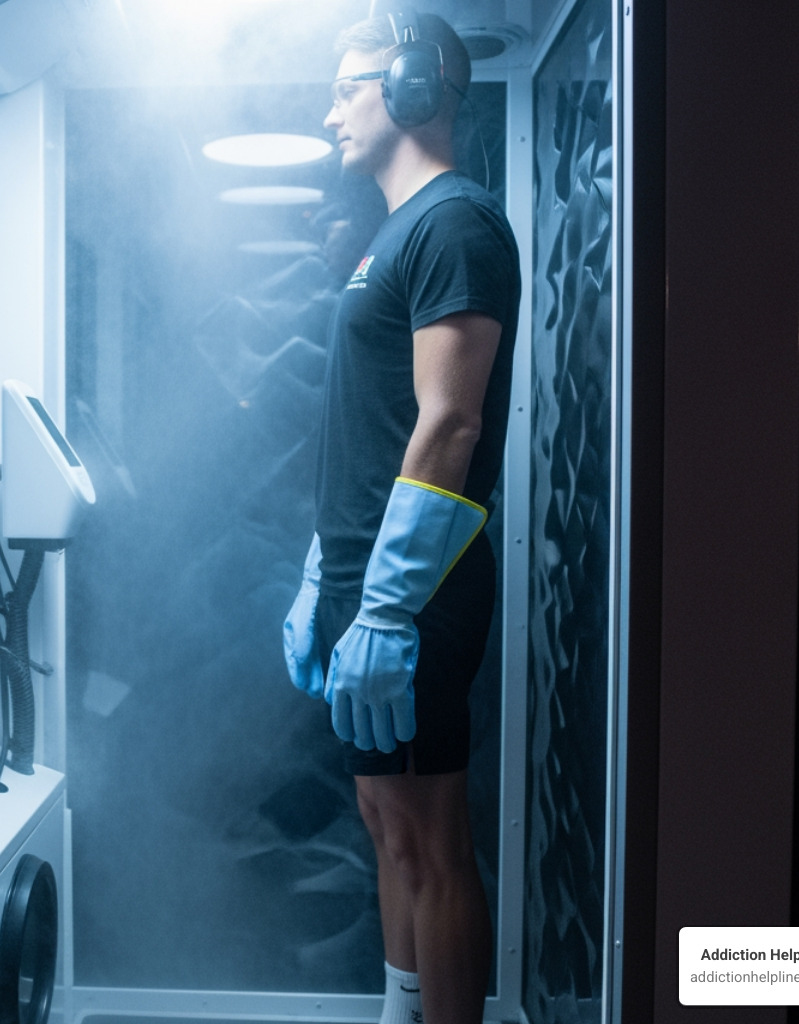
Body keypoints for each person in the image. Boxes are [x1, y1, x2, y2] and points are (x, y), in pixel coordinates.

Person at [283, 11, 520, 1024]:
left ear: (414, 86)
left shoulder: (454, 222)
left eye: (349, 85)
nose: (330, 107)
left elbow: (449, 421)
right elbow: (371, 424)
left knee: (431, 836)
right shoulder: (392, 235)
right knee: (385, 823)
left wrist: (383, 604)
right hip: (363, 577)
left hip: (413, 589)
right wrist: (319, 574)